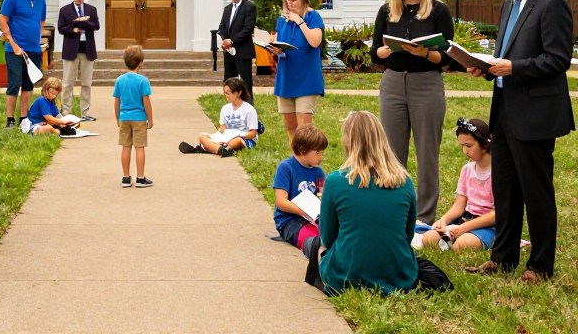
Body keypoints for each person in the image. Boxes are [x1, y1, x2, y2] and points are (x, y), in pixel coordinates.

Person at [465, 0, 574, 282]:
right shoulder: (510, 4)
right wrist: (484, 68)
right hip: (505, 110)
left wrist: (514, 68)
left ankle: (540, 265)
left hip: (535, 114)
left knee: (536, 191)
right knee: (506, 190)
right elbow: (506, 55)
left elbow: (557, 61)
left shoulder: (552, 3)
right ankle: (503, 257)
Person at [370, 0, 453, 225]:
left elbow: (448, 57)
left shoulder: (438, 10)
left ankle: (425, 216)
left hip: (426, 82)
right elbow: (374, 52)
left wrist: (425, 53)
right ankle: (396, 212)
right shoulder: (386, 11)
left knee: (427, 151)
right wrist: (381, 52)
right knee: (392, 152)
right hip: (393, 81)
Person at [316, 110, 419, 295]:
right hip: (399, 275)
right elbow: (407, 234)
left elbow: (328, 237)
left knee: (315, 245)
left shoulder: (335, 181)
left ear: (348, 141)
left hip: (347, 276)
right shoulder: (405, 182)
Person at [422, 117, 495, 252]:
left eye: (468, 146)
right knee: (428, 238)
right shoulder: (467, 169)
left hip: (488, 226)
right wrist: (444, 220)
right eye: (462, 146)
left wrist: (464, 228)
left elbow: (496, 215)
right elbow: (459, 205)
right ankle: (453, 236)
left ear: (485, 145)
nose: (464, 151)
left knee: (460, 246)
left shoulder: (498, 173)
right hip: (464, 220)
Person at [271, 0, 325, 143]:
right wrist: (275, 50)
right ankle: (295, 162)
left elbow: (315, 42)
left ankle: (307, 162)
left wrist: (299, 21)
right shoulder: (282, 20)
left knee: (304, 129)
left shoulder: (313, 17)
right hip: (286, 78)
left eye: (293, 0)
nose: (289, 3)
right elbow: (280, 44)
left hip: (306, 79)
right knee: (290, 126)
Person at [0, 0, 46, 128]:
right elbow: (2, 21)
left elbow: (41, 22)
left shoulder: (41, 0)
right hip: (15, 50)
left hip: (34, 50)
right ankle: (10, 119)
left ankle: (24, 119)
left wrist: (38, 42)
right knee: (14, 83)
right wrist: (13, 43)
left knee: (28, 84)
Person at [273, 124, 328, 252]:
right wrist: (302, 211)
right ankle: (317, 254)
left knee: (330, 236)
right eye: (317, 153)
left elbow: (323, 196)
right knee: (312, 240)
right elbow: (281, 202)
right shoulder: (286, 168)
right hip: (289, 221)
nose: (321, 157)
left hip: (313, 219)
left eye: (322, 152)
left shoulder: (318, 172)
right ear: (303, 150)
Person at [178, 76, 262, 157]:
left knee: (235, 142)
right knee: (202, 136)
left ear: (239, 92)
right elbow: (222, 128)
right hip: (227, 136)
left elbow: (253, 134)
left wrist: (238, 134)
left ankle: (203, 148)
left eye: (228, 93)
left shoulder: (249, 109)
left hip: (243, 138)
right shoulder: (225, 108)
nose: (226, 95)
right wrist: (222, 133)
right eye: (225, 93)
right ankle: (221, 150)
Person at [56, 0, 100, 121]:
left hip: (87, 50)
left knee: (86, 83)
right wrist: (74, 28)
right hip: (71, 50)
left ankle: (85, 112)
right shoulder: (65, 10)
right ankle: (66, 111)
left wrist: (85, 23)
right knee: (68, 82)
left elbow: (96, 25)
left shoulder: (91, 10)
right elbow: (61, 28)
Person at [113, 45, 154, 188]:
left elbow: (116, 101)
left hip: (124, 118)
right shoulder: (143, 81)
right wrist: (150, 119)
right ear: (141, 62)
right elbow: (146, 102)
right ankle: (140, 178)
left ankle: (125, 177)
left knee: (126, 146)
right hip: (139, 118)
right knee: (139, 147)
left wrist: (117, 117)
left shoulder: (120, 80)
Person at [217, 0, 257, 96]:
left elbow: (248, 29)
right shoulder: (227, 9)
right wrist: (225, 40)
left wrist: (232, 41)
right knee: (229, 81)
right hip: (229, 52)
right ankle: (231, 105)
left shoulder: (249, 7)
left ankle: (249, 105)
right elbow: (222, 27)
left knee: (245, 82)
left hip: (243, 51)